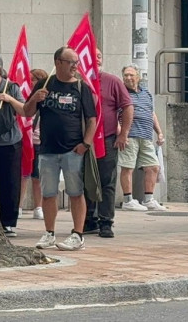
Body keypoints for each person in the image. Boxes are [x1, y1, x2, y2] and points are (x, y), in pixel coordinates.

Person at [22, 47, 97, 251]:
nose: (75, 66)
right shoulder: (44, 84)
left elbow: (92, 120)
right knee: (48, 193)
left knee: (75, 192)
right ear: (58, 62)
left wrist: (85, 145)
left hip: (73, 150)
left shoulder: (81, 88)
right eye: (70, 62)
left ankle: (78, 234)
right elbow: (27, 112)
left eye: (76, 62)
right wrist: (35, 99)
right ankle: (49, 233)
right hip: (47, 150)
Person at [85, 48, 132, 239]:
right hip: (82, 141)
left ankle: (106, 222)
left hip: (108, 139)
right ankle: (88, 219)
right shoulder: (79, 82)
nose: (97, 59)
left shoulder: (112, 81)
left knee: (107, 181)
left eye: (99, 56)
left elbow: (127, 106)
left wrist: (124, 134)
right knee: (85, 181)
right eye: (92, 56)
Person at [120, 65, 168, 212]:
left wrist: (159, 132)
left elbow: (151, 113)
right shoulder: (121, 92)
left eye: (131, 75)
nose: (128, 78)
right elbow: (115, 113)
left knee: (153, 166)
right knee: (128, 167)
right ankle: (128, 200)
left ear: (138, 77)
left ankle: (148, 199)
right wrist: (121, 133)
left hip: (146, 135)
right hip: (130, 135)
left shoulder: (146, 93)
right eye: (126, 75)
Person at [0, 53, 24, 238]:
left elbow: (24, 110)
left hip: (11, 142)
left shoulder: (11, 87)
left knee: (10, 183)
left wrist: (9, 99)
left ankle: (8, 222)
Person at [22, 69, 49, 220]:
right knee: (23, 174)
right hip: (26, 141)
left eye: (33, 79)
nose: (30, 82)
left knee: (37, 177)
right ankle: (18, 206)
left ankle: (38, 206)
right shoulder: (27, 96)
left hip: (39, 142)